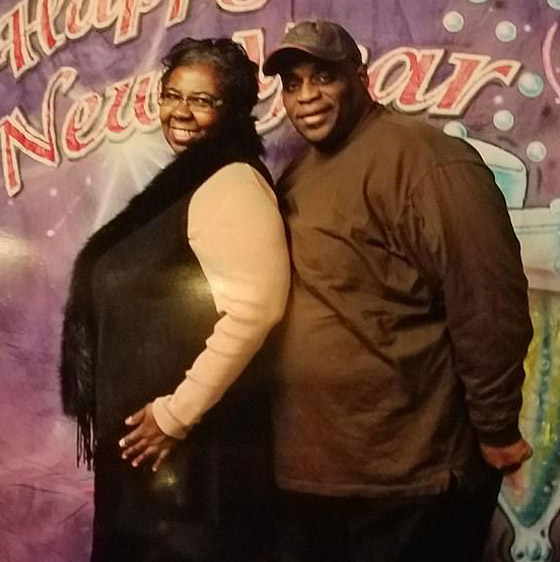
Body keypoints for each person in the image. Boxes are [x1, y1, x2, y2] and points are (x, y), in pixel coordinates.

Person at [262, 20, 533, 562]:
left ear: (361, 78)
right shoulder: (299, 172)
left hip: (410, 477)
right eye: (292, 83)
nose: (306, 95)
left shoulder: (428, 162)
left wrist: (497, 426)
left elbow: (488, 301)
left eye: (324, 77)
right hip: (318, 474)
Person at [60, 37, 290, 562]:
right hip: (156, 467)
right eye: (172, 95)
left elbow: (256, 310)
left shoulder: (233, 182)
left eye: (202, 100)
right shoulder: (192, 182)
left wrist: (176, 415)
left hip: (196, 466)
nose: (181, 112)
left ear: (233, 109)